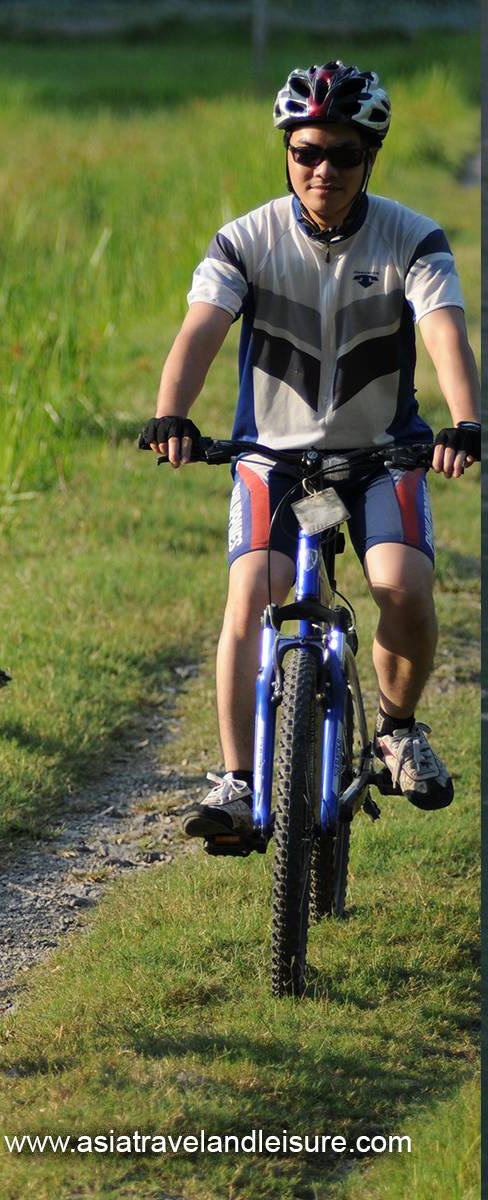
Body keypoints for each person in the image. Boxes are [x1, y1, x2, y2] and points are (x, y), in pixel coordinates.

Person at [143, 61, 479, 841]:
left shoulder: (413, 237)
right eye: (305, 153)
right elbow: (199, 331)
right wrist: (172, 414)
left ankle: (398, 728)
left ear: (372, 156)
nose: (322, 169)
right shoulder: (246, 239)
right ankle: (234, 779)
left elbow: (445, 335)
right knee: (251, 596)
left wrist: (464, 419)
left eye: (343, 154)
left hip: (382, 456)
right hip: (272, 458)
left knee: (402, 585)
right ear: (287, 152)